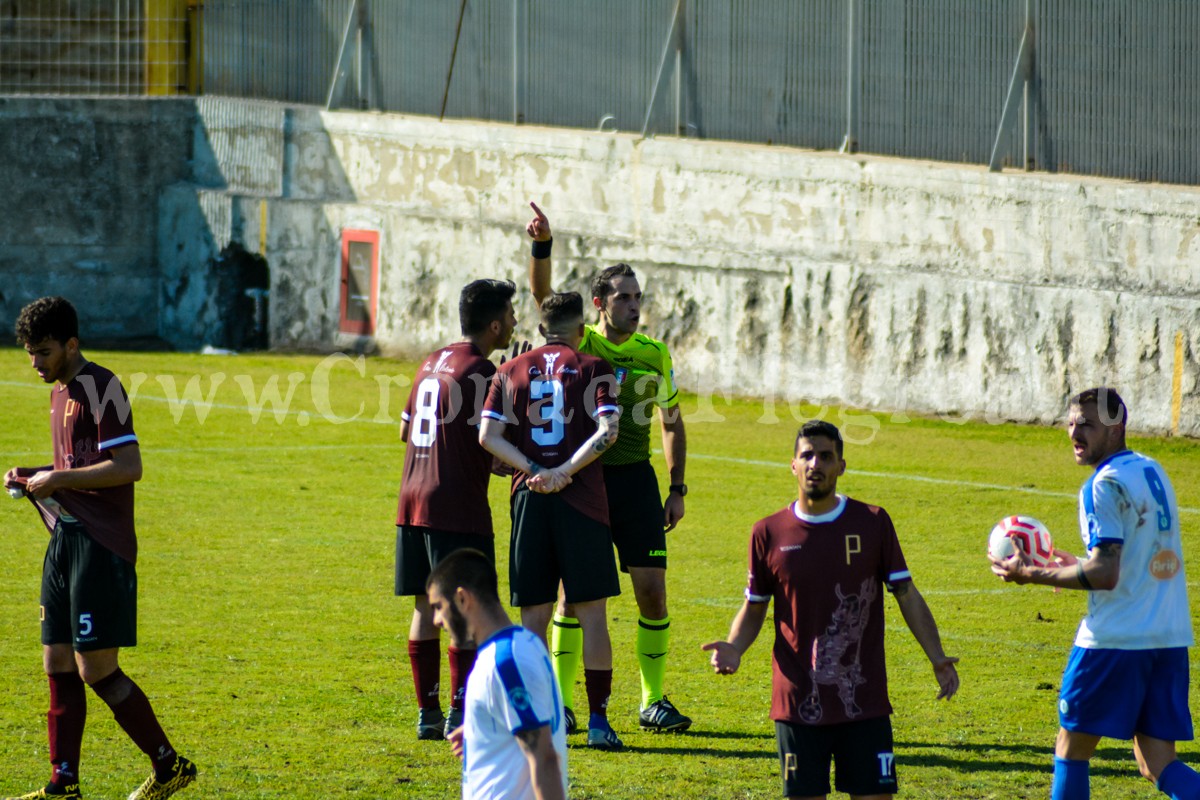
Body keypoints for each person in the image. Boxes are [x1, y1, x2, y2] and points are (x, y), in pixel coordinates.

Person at [3, 296, 197, 800]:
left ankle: (170, 766)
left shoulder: (101, 386)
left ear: (71, 344)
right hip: (65, 541)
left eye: (44, 352)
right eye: (29, 353)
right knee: (57, 662)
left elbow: (128, 466)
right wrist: (33, 476)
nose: (35, 363)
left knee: (96, 669)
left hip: (100, 546)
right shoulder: (60, 390)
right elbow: (77, 464)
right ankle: (62, 784)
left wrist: (57, 477)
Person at [703, 420, 959, 799]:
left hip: (864, 700)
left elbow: (905, 592)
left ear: (841, 465)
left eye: (825, 456)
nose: (815, 464)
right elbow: (754, 606)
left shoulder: (872, 522)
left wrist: (937, 657)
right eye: (807, 455)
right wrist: (734, 647)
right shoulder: (768, 532)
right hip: (797, 704)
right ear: (793, 465)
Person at [526, 202, 692, 735]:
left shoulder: (655, 353)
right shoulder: (585, 343)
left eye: (638, 297)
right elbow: (542, 298)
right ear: (598, 305)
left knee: (653, 590)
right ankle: (563, 701)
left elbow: (672, 422)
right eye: (623, 297)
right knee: (574, 596)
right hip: (587, 481)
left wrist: (677, 487)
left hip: (638, 483)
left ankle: (652, 700)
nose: (634, 305)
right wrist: (543, 245)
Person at [990, 388, 1200, 800]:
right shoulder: (1151, 470)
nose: (1074, 433)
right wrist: (1070, 564)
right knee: (1157, 763)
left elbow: (1105, 573)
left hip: (1115, 642)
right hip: (1169, 637)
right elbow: (1136, 555)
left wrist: (1030, 574)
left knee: (1071, 751)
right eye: (1070, 423)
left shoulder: (1101, 485)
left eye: (1087, 424)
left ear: (1117, 424)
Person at [478, 291, 626, 750]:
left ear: (541, 329)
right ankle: (599, 721)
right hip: (582, 500)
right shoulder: (594, 367)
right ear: (582, 329)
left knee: (534, 616)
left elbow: (487, 436)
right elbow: (609, 430)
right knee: (593, 615)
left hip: (530, 499)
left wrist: (533, 469)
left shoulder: (509, 370)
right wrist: (564, 472)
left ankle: (539, 718)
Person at [395, 279, 518, 741]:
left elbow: (407, 432)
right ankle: (459, 713)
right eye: (509, 314)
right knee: (464, 611)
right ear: (493, 323)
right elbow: (492, 441)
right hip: (455, 506)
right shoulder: (483, 372)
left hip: (412, 500)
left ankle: (426, 712)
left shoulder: (431, 361)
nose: (514, 322)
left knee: (426, 606)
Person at [429, 549, 567, 800]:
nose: (436, 619)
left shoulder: (505, 662)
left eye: (439, 606)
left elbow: (544, 759)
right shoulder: (523, 643)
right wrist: (483, 730)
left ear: (462, 599)